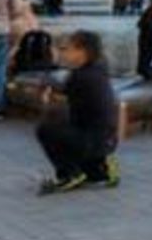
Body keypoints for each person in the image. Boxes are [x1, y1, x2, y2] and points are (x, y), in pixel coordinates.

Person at [36, 30, 119, 195]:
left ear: (82, 52)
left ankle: (69, 174)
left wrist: (47, 98)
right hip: (108, 138)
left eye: (69, 49)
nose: (65, 53)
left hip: (92, 140)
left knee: (46, 129)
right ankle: (100, 168)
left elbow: (61, 99)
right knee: (66, 124)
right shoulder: (99, 68)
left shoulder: (80, 77)